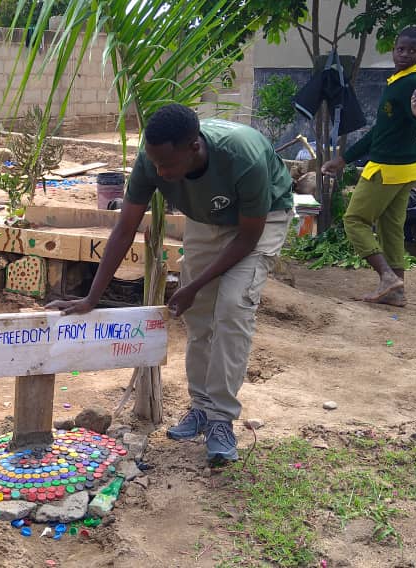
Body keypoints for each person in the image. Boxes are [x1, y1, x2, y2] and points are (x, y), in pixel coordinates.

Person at [48, 104, 293, 464]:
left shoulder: (243, 157)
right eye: (155, 165)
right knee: (199, 319)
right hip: (207, 221)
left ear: (194, 147)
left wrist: (193, 285)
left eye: (169, 166)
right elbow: (124, 228)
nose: (160, 173)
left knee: (231, 307)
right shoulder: (153, 161)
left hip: (260, 220)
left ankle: (221, 418)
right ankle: (201, 407)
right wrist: (91, 298)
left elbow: (246, 239)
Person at [322, 26, 416, 308]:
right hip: (404, 170)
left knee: (354, 219)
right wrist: (344, 159)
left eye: (411, 50)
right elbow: (379, 132)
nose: (404, 54)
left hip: (388, 169)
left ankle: (386, 276)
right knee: (390, 228)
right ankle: (396, 290)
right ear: (393, 49)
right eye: (400, 49)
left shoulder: (411, 83)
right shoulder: (397, 81)